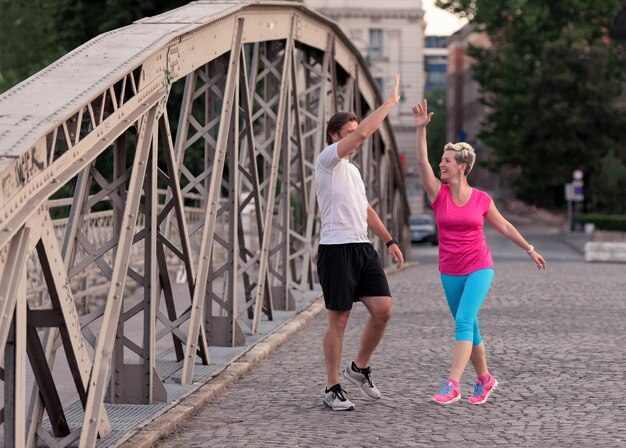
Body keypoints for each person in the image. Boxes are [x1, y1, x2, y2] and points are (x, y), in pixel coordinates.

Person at [411, 99, 547, 405]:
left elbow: (505, 227)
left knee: (462, 320)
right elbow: (421, 164)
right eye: (441, 160)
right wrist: (420, 130)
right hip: (449, 270)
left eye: (447, 160)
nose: (441, 164)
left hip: (479, 266)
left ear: (462, 167)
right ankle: (485, 379)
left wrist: (530, 249)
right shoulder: (438, 194)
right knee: (469, 326)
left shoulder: (482, 199)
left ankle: (453, 384)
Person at [315, 75, 405, 411]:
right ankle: (332, 386)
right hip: (335, 249)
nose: (357, 137)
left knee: (383, 310)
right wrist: (390, 103)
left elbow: (366, 209)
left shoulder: (352, 172)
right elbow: (365, 132)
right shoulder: (328, 161)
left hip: (362, 248)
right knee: (339, 319)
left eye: (356, 130)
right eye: (349, 132)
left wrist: (389, 240)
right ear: (335, 136)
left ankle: (359, 367)